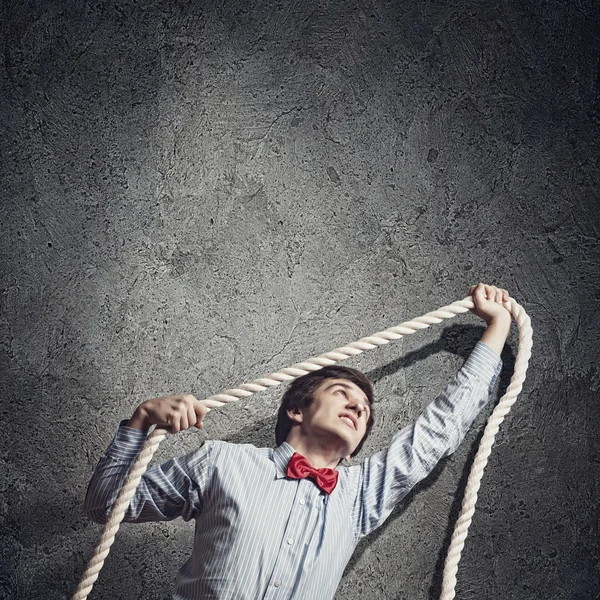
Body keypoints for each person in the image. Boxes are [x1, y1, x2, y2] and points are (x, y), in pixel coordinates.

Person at [84, 283, 512, 600]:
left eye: (365, 408)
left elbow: (438, 431)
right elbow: (104, 504)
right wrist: (142, 419)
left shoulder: (360, 495)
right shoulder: (222, 462)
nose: (359, 407)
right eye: (343, 394)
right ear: (297, 410)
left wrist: (496, 329)